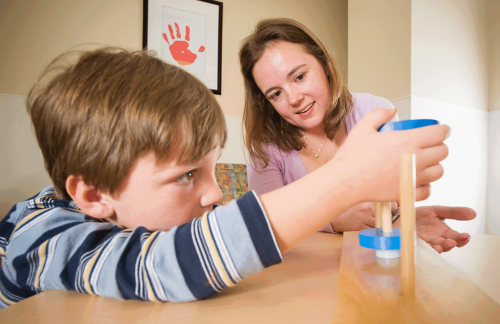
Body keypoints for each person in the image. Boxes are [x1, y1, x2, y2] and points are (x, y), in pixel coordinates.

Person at [0, 47, 448, 308]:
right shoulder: (41, 236)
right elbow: (169, 263)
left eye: (211, 168)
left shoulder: (130, 211)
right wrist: (348, 181)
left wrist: (391, 220)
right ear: (93, 194)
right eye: (186, 175)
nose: (214, 193)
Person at [239, 18, 474, 253]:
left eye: (299, 77)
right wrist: (334, 220)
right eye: (276, 93)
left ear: (323, 63)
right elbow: (265, 225)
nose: (293, 98)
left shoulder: (373, 111)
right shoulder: (264, 148)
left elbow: (394, 202)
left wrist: (404, 220)